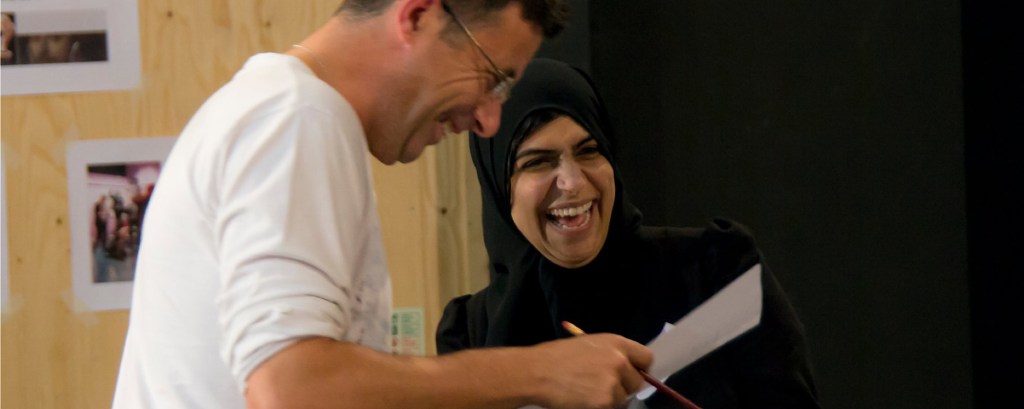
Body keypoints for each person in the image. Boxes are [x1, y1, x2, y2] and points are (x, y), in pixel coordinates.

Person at [112, 1, 655, 409]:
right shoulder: (299, 119)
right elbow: (289, 386)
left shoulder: (283, 109)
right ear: (416, 16)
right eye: (492, 78)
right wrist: (542, 374)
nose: (489, 121)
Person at [436, 58, 822, 408]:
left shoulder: (716, 274)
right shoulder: (472, 335)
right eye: (538, 162)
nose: (572, 181)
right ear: (499, 189)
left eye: (589, 151)